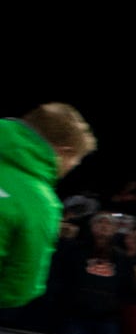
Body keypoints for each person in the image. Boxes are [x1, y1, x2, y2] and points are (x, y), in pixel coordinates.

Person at [0, 105, 95, 314]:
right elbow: (20, 287)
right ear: (63, 153)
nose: (68, 169)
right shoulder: (41, 202)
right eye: (74, 162)